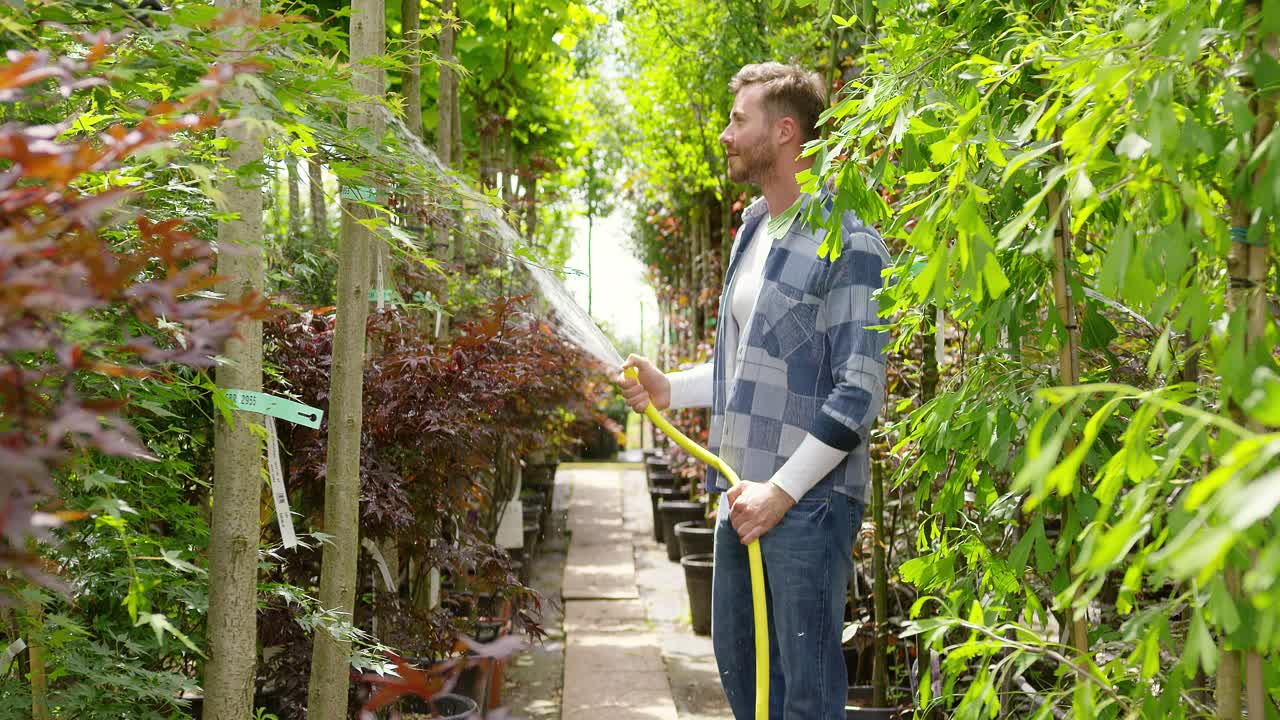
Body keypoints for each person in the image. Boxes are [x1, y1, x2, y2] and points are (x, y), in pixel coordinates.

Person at [617, 62, 889, 720]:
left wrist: (781, 493)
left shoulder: (849, 240)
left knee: (805, 698)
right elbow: (750, 366)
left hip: (808, 506)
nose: (726, 134)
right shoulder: (753, 228)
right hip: (741, 498)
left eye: (739, 120)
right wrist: (670, 388)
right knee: (743, 675)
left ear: (785, 132)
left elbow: (859, 392)